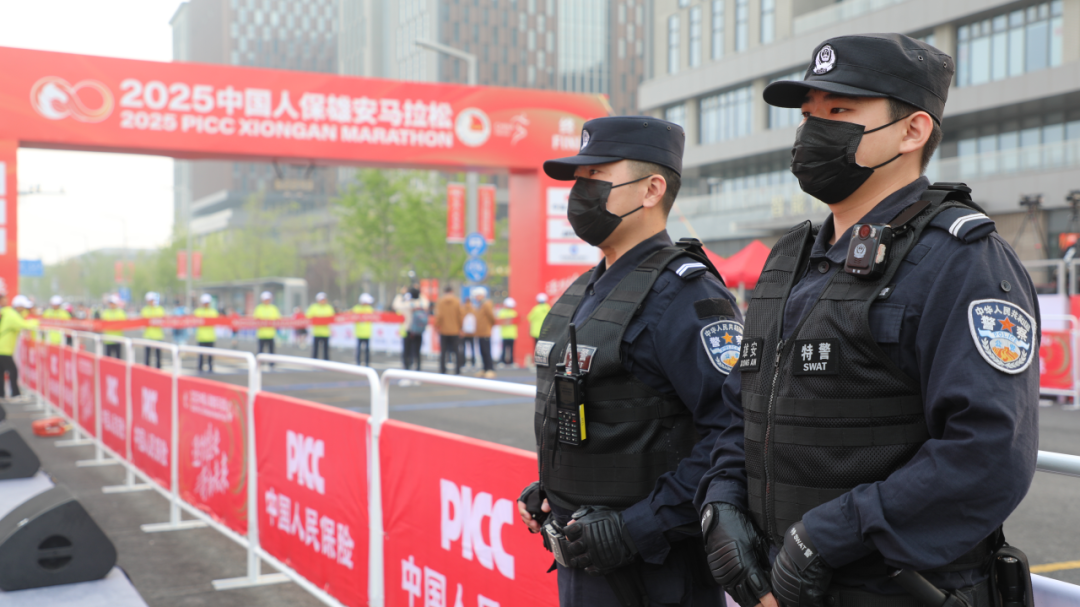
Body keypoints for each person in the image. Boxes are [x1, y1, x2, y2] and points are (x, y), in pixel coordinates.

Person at [696, 34, 1040, 607]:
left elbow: (987, 453)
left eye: (839, 112)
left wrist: (825, 539)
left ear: (913, 131)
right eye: (808, 116)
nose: (813, 132)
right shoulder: (786, 260)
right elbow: (742, 411)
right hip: (777, 587)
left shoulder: (961, 260)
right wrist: (722, 504)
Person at [515, 115, 740, 607]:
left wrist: (637, 526)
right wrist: (554, 490)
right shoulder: (585, 291)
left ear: (651, 189)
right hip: (585, 558)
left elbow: (736, 432)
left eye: (596, 176)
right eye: (578, 179)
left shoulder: (686, 295)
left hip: (658, 571)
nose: (580, 192)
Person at [0, 294, 39, 402]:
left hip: (3, 348)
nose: (25, 310)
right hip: (4, 349)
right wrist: (38, 321)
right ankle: (15, 394)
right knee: (13, 371)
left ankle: (2, 395)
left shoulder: (8, 312)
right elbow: (25, 325)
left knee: (2, 372)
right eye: (24, 307)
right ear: (18, 306)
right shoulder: (12, 315)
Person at [434, 286, 463, 375]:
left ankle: (443, 370)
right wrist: (460, 328)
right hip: (455, 330)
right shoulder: (457, 301)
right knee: (456, 351)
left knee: (443, 351)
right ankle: (457, 370)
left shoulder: (440, 302)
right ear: (452, 291)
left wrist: (437, 326)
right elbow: (460, 316)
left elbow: (439, 316)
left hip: (444, 330)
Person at [471, 287, 496, 379]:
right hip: (480, 332)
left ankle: (490, 369)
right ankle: (485, 369)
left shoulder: (486, 304)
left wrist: (488, 327)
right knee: (482, 351)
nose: (475, 298)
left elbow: (491, 317)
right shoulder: (481, 305)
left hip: (485, 332)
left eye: (477, 296)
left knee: (486, 351)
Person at [401, 288, 427, 371]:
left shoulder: (407, 304)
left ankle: (407, 367)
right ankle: (418, 367)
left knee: (407, 350)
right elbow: (426, 301)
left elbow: (396, 305)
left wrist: (402, 294)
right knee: (417, 351)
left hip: (408, 330)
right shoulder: (422, 304)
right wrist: (420, 294)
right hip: (419, 331)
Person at [254, 291, 281, 367]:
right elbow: (256, 319)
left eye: (268, 299)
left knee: (271, 351)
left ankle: (271, 364)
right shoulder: (259, 308)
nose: (267, 301)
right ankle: (259, 364)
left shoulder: (273, 308)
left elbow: (278, 319)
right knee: (260, 351)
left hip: (271, 334)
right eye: (265, 299)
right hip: (261, 334)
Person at [194, 294, 219, 372]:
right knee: (201, 354)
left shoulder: (213, 312)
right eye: (205, 302)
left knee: (210, 355)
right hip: (201, 337)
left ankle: (210, 367)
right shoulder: (198, 311)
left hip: (210, 337)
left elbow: (218, 321)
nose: (206, 304)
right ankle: (200, 367)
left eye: (207, 302)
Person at [306, 292, 334, 360]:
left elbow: (332, 317)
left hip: (325, 332)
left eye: (323, 299)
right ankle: (314, 362)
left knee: (326, 350)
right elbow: (308, 316)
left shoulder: (329, 307)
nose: (322, 301)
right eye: (321, 299)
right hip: (317, 332)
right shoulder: (313, 307)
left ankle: (326, 362)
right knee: (315, 350)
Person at [141, 292, 166, 369]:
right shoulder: (145, 310)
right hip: (148, 336)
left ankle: (158, 371)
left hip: (158, 336)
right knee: (147, 357)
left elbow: (163, 320)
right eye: (150, 300)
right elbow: (143, 321)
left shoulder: (160, 309)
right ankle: (146, 371)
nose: (152, 301)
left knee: (158, 357)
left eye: (153, 300)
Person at [526, 292, 551, 365]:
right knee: (546, 348)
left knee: (537, 348)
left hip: (536, 332)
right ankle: (545, 362)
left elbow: (529, 318)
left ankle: (537, 362)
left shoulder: (536, 309)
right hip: (546, 331)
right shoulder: (548, 308)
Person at [353, 293, 375, 366]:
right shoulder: (356, 308)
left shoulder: (370, 309)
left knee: (367, 350)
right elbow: (350, 316)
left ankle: (367, 363)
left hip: (367, 333)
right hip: (359, 333)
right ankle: (358, 363)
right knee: (359, 350)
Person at [497, 297, 518, 367]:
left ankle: (508, 361)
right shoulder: (511, 312)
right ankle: (505, 361)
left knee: (508, 349)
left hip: (509, 334)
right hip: (507, 334)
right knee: (506, 349)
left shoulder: (505, 312)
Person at [459, 296, 477, 368]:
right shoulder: (473, 309)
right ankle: (472, 362)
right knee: (472, 348)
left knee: (463, 348)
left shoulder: (462, 309)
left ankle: (463, 362)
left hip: (465, 332)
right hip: (471, 333)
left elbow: (460, 320)